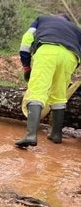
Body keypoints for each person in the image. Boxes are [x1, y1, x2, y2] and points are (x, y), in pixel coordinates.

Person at [15, 13, 81, 148]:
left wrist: (27, 67)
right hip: (71, 57)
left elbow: (26, 41)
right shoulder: (76, 29)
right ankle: (56, 134)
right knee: (59, 95)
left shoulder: (41, 19)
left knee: (37, 91)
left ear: (56, 17)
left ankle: (31, 135)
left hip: (47, 51)